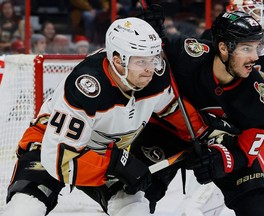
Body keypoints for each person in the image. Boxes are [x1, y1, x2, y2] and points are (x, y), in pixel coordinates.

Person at [2, 17, 212, 216]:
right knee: (26, 207)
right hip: (51, 146)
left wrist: (205, 139)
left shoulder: (155, 76)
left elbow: (173, 110)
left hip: (104, 153)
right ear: (117, 60)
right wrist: (116, 165)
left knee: (135, 210)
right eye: (141, 62)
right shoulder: (88, 87)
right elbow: (59, 159)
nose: (150, 70)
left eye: (153, 59)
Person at [139, 7, 264, 216]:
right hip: (167, 134)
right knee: (136, 193)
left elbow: (247, 149)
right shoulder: (189, 55)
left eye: (256, 48)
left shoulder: (256, 97)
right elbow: (154, 50)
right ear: (223, 48)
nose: (254, 57)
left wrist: (223, 160)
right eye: (246, 49)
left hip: (220, 143)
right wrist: (148, 30)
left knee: (256, 205)